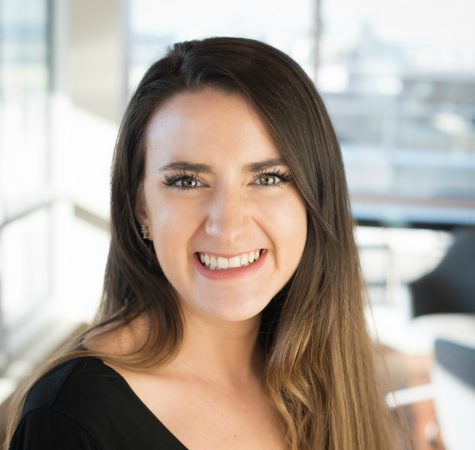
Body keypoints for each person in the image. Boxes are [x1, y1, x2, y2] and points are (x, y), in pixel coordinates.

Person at [4, 36, 400, 450]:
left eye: (267, 178)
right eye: (187, 182)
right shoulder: (71, 418)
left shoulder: (327, 375)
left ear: (314, 197)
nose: (227, 226)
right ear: (142, 209)